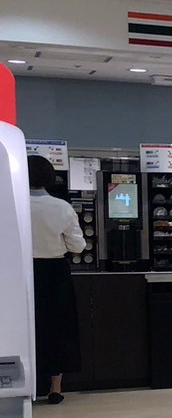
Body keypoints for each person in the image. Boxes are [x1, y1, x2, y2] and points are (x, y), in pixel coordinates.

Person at [27, 154, 84, 403]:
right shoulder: (62, 207)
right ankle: (55, 388)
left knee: (28, 326)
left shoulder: (11, 204)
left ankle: (28, 385)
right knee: (58, 327)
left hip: (23, 272)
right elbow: (78, 246)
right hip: (55, 273)